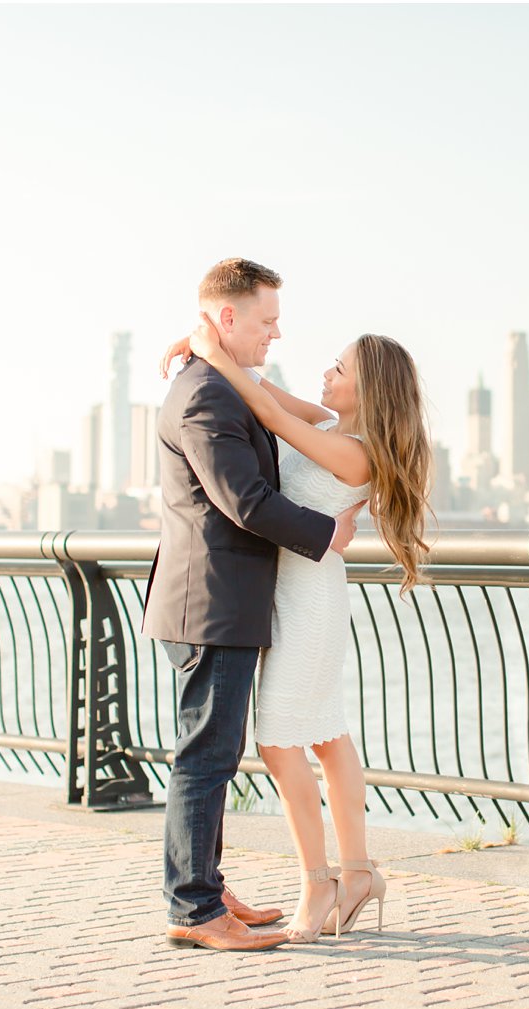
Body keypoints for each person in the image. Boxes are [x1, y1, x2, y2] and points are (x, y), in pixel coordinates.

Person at [159, 308, 431, 943]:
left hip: (307, 602)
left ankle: (320, 882)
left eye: (340, 368)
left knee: (282, 743)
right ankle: (357, 872)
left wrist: (210, 346)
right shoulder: (331, 424)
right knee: (328, 736)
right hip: (286, 593)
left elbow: (271, 414)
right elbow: (266, 393)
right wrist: (211, 349)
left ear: (370, 391)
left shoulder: (353, 452)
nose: (326, 373)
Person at [142, 258, 367, 952]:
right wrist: (329, 534)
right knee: (206, 756)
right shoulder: (208, 395)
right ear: (229, 317)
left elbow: (271, 401)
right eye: (267, 320)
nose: (278, 332)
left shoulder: (221, 383)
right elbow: (245, 502)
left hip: (233, 600)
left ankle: (204, 884)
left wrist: (202, 342)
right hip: (213, 602)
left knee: (214, 751)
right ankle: (195, 907)